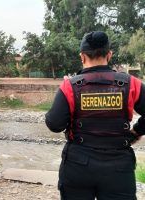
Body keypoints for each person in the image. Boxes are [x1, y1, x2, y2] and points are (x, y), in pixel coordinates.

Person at [45, 31, 145, 200]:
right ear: (109, 55)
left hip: (78, 167)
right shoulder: (131, 83)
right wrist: (136, 131)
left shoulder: (70, 86)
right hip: (119, 168)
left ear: (82, 57)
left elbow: (54, 124)